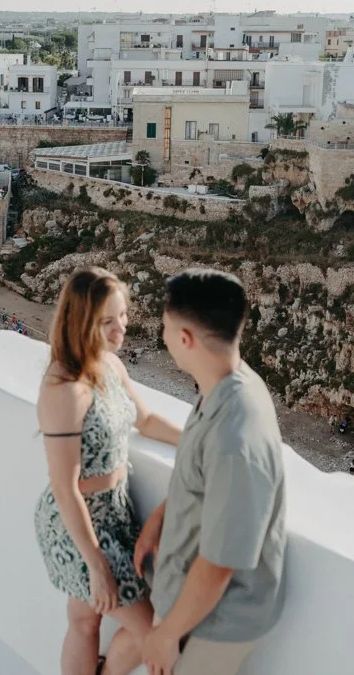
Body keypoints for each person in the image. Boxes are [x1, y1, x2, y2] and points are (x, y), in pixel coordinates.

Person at [135, 269, 286, 675]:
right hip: (188, 601)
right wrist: (159, 520)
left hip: (213, 622)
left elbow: (220, 563)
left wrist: (167, 635)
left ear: (185, 339)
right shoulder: (222, 381)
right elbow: (200, 475)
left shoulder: (236, 436)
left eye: (166, 328)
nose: (162, 337)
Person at [35, 267, 182, 675]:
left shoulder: (110, 365)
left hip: (116, 514)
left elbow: (146, 420)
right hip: (81, 526)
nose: (121, 330)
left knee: (85, 620)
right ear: (80, 322)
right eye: (107, 321)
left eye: (123, 317)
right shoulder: (63, 389)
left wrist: (197, 441)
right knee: (154, 631)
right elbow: (65, 488)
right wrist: (96, 564)